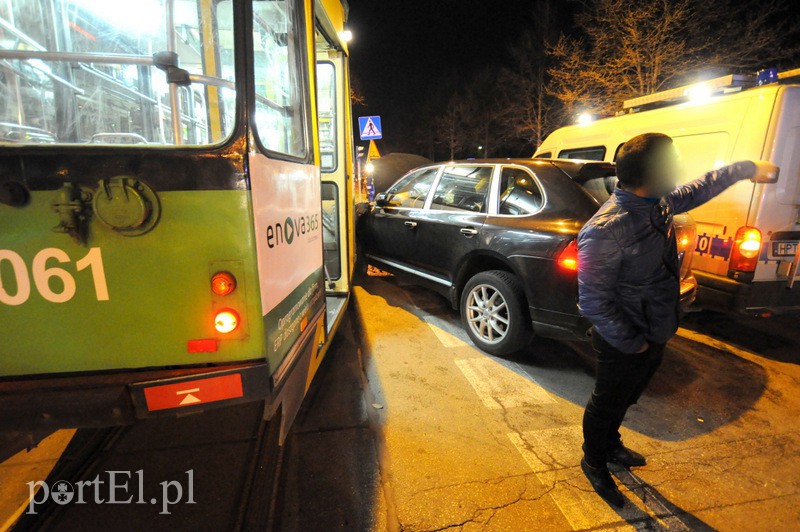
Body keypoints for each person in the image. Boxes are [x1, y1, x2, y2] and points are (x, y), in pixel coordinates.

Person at [577, 132, 775, 508]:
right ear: (652, 172)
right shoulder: (606, 229)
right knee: (607, 401)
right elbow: (593, 301)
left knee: (628, 398)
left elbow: (701, 187)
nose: (680, 169)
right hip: (624, 339)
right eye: (673, 162)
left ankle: (612, 443)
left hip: (656, 328)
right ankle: (593, 459)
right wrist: (634, 343)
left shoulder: (658, 202)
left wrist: (746, 169)